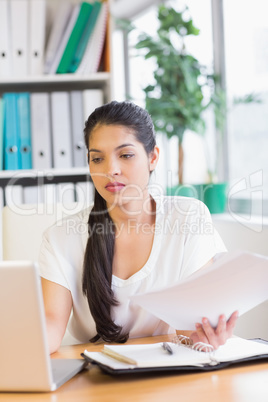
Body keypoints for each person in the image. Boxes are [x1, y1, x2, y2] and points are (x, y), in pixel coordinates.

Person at [39, 100, 238, 354]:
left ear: (152, 157)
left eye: (126, 155)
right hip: (94, 378)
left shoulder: (188, 218)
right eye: (97, 158)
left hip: (168, 371)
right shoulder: (59, 239)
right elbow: (51, 323)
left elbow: (191, 328)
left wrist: (206, 336)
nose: (111, 170)